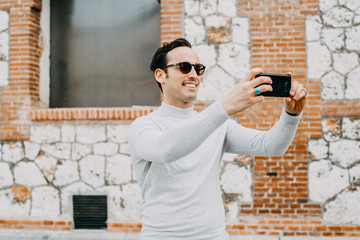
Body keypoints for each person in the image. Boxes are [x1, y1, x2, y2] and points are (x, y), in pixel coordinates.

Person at [128, 38, 308, 240]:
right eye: (184, 67)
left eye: (198, 68)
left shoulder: (218, 124)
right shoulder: (143, 127)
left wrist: (292, 116)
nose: (194, 75)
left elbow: (271, 146)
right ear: (161, 75)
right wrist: (225, 106)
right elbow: (166, 150)